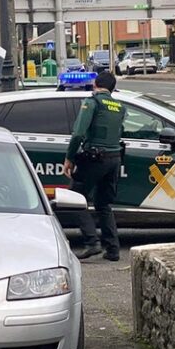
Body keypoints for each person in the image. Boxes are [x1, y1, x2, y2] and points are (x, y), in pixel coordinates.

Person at [62, 71, 126, 262]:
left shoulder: (92, 102)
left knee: (74, 199)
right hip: (114, 159)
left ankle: (92, 242)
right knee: (103, 204)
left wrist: (69, 158)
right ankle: (113, 249)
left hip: (95, 158)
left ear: (95, 84)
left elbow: (78, 134)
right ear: (112, 88)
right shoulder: (120, 107)